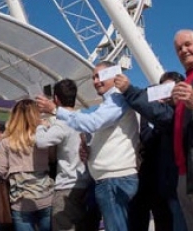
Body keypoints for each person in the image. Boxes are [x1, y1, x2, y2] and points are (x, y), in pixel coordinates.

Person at [36, 61, 139, 231]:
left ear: (115, 74)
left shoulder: (116, 100)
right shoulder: (107, 104)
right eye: (93, 77)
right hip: (104, 179)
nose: (96, 81)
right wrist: (90, 149)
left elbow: (93, 123)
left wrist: (53, 113)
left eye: (100, 76)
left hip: (113, 179)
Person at [115, 70, 186, 231]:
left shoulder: (177, 115)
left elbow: (163, 119)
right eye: (162, 90)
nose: (166, 96)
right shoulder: (154, 120)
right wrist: (150, 109)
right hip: (156, 185)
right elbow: (147, 136)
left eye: (169, 90)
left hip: (174, 186)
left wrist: (133, 93)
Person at [35, 79, 97, 231]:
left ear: (55, 99)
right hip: (88, 183)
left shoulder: (62, 123)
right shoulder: (85, 119)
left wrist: (41, 126)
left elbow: (42, 142)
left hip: (67, 185)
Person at [0, 98, 54, 231]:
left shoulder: (6, 141)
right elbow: (53, 157)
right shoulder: (43, 137)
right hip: (45, 196)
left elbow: (1, 171)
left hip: (20, 201)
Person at [169, 29, 193, 228]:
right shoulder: (185, 83)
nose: (184, 50)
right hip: (184, 172)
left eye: (188, 44)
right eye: (179, 48)